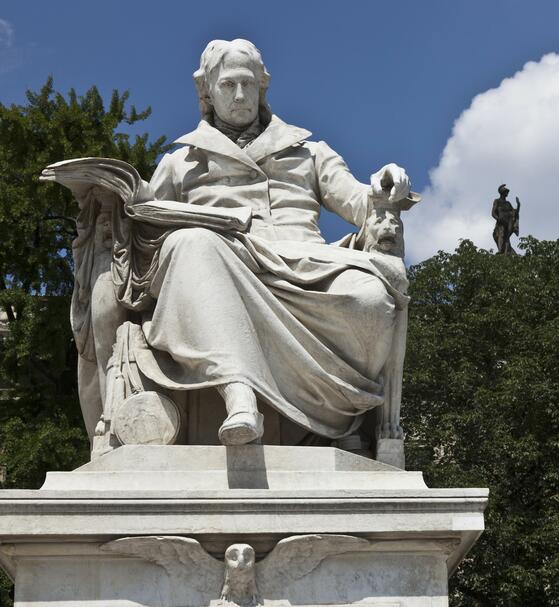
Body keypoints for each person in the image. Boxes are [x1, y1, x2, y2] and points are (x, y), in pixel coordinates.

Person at [79, 39, 416, 447]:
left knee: (371, 298)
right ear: (207, 91)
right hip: (219, 260)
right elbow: (149, 221)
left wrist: (381, 188)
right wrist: (122, 206)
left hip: (304, 263)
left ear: (262, 87)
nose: (240, 95)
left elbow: (358, 201)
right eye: (227, 85)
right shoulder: (179, 161)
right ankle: (238, 393)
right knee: (190, 244)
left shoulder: (309, 151)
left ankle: (334, 419)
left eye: (248, 84)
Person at [491, 184, 520, 254]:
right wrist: (498, 219)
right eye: (506, 191)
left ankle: (506, 251)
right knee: (501, 236)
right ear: (502, 192)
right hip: (501, 223)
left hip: (508, 223)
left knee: (506, 238)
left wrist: (518, 205)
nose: (507, 193)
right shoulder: (497, 201)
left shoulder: (508, 203)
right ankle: (502, 251)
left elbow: (515, 213)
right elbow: (493, 213)